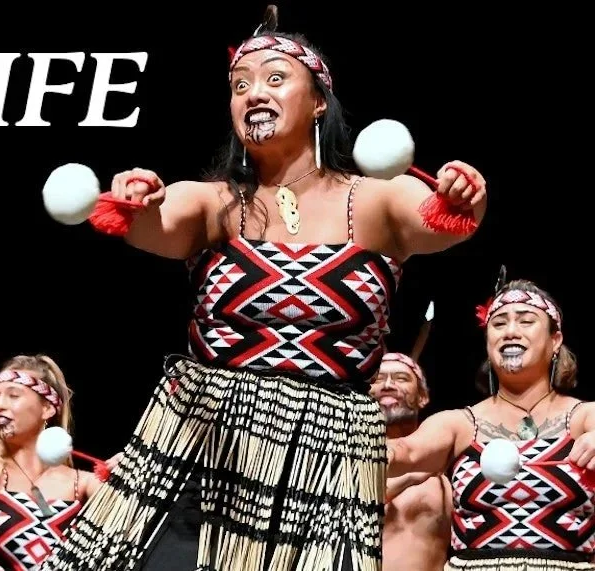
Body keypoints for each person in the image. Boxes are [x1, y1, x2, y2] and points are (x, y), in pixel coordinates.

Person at [43, 6, 488, 571]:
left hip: (323, 465)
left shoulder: (375, 200)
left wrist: (463, 191)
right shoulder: (215, 203)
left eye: (276, 79)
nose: (254, 93)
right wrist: (133, 199)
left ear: (319, 100)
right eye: (239, 85)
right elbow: (154, 223)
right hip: (201, 449)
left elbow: (446, 218)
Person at [388, 278, 593, 570]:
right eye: (498, 324)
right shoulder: (459, 425)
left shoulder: (585, 417)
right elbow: (404, 452)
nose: (510, 332)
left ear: (555, 340)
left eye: (526, 321)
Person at [0, 355, 104, 570]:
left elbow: (126, 517)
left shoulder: (83, 485)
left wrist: (124, 472)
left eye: (13, 395)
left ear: (48, 408)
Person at [371, 352, 450, 571]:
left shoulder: (447, 468)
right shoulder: (338, 463)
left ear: (422, 397)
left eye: (401, 378)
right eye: (378, 378)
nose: (388, 385)